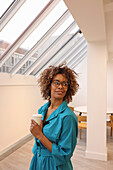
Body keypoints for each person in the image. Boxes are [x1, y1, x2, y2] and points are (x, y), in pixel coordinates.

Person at [30, 64, 79, 170]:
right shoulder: (42, 110)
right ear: (49, 85)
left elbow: (64, 154)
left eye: (65, 84)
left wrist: (39, 135)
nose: (61, 86)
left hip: (55, 165)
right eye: (57, 83)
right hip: (38, 161)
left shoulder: (68, 117)